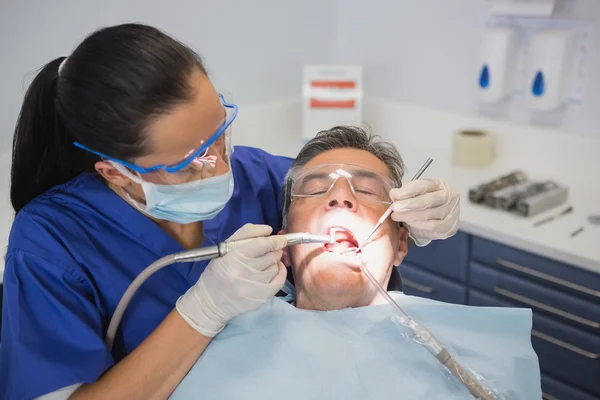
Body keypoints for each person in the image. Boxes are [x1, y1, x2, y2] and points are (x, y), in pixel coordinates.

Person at [0, 23, 461, 400]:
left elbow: (336, 195)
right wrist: (202, 310)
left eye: (219, 133)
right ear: (117, 173)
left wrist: (414, 218)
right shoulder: (52, 241)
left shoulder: (259, 175)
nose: (222, 165)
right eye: (190, 162)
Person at [171, 126, 541, 399]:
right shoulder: (213, 355)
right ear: (284, 243)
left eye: (365, 190)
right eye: (316, 189)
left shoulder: (479, 366)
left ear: (401, 243)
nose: (341, 197)